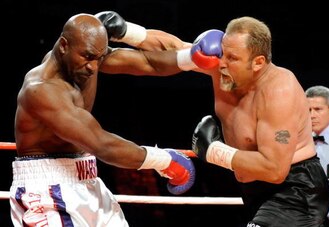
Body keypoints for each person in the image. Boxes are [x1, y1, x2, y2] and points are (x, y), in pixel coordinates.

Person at [10, 12, 196, 227]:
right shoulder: (41, 90)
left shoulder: (88, 56)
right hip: (47, 190)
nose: (94, 67)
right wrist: (163, 160)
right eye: (88, 57)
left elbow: (149, 63)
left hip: (87, 180)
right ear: (63, 46)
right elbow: (102, 144)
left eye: (99, 58)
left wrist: (193, 58)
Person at [178, 16, 329, 226]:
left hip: (295, 188)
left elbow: (275, 170)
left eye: (232, 57)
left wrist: (214, 151)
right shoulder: (224, 69)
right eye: (223, 53)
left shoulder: (279, 89)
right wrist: (131, 33)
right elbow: (169, 49)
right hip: (255, 191)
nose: (222, 62)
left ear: (258, 61)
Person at [306, 85, 329, 227]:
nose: (312, 115)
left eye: (318, 109)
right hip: (308, 219)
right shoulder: (301, 141)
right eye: (308, 110)